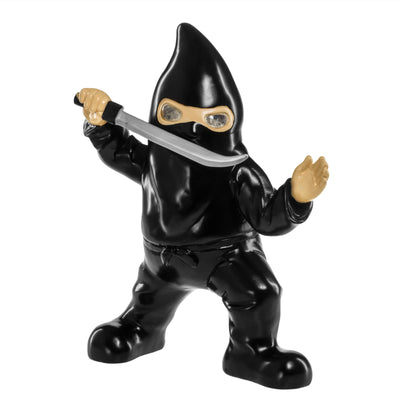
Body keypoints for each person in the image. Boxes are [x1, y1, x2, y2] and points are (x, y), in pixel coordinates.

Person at [77, 23, 329, 389]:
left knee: (259, 294)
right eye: (174, 115)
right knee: (148, 300)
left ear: (230, 121)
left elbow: (267, 218)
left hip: (229, 257)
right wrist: (100, 121)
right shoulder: (156, 158)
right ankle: (142, 331)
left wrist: (296, 197)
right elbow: (118, 151)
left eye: (212, 120)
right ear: (158, 115)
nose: (193, 131)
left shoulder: (238, 169)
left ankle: (251, 352)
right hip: (161, 258)